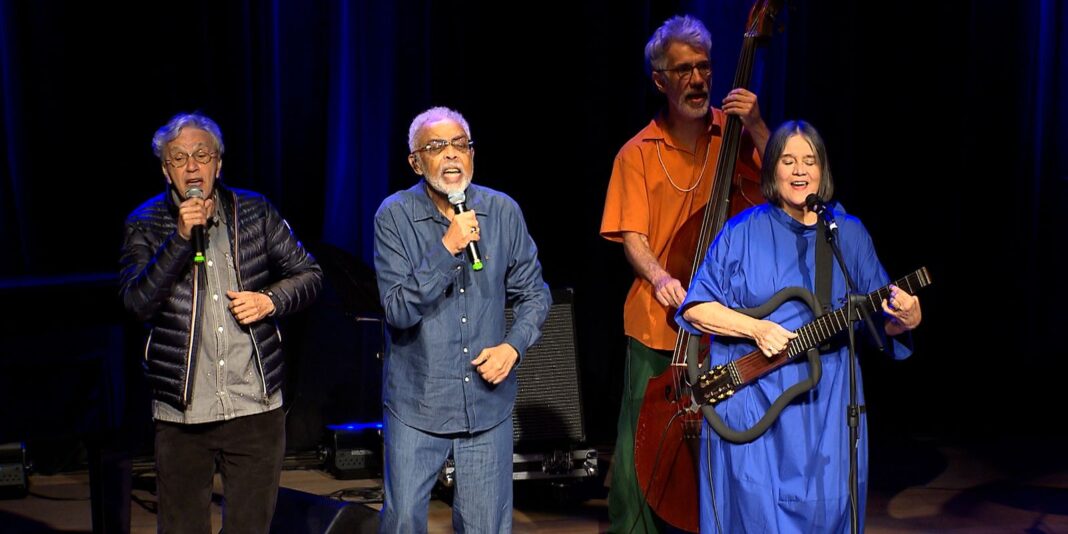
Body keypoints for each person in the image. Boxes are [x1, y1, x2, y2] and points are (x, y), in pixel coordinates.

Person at [676, 120, 923, 533]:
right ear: (772, 169)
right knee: (756, 514)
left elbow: (882, 325)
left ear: (822, 170)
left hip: (826, 408)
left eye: (809, 161)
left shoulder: (848, 235)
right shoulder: (742, 231)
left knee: (828, 511)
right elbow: (696, 308)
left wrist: (907, 318)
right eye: (788, 160)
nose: (799, 170)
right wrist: (756, 330)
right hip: (755, 402)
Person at [599, 14, 770, 531]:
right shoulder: (636, 153)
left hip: (729, 322)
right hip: (659, 321)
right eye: (683, 71)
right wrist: (661, 278)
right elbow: (633, 237)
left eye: (704, 68)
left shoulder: (736, 136)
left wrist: (760, 126)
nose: (697, 80)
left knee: (732, 449)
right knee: (641, 455)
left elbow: (794, 187)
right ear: (659, 80)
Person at [119, 112, 323, 533]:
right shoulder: (145, 222)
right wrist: (178, 239)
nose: (192, 166)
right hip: (182, 412)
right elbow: (137, 303)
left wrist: (269, 301)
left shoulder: (254, 210)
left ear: (218, 163)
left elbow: (310, 275)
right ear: (165, 169)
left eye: (201, 155)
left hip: (254, 406)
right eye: (179, 158)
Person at [373, 106, 551, 533]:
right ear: (416, 162)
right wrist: (446, 248)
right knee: (402, 524)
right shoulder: (394, 216)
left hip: (487, 405)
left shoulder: (502, 211)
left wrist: (513, 346)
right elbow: (397, 309)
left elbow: (535, 294)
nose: (451, 155)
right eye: (436, 147)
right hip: (420, 401)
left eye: (459, 145)